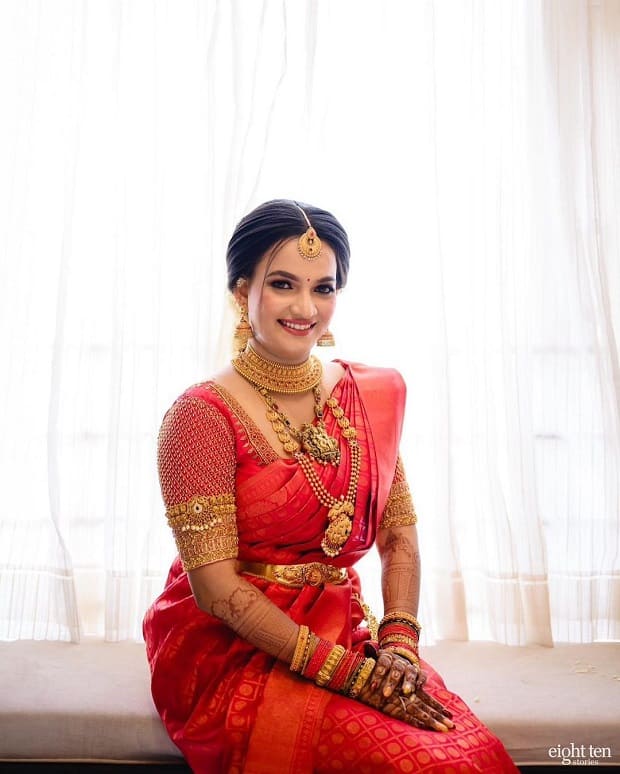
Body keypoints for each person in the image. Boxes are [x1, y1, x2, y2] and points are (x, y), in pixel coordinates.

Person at [143, 200, 518, 773]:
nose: (304, 307)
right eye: (283, 284)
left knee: (472, 755)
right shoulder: (200, 418)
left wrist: (397, 648)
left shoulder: (367, 397)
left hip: (348, 630)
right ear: (240, 290)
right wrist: (352, 678)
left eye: (324, 287)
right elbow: (216, 590)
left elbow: (401, 538)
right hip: (235, 650)